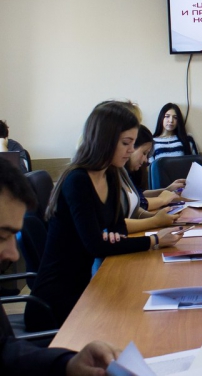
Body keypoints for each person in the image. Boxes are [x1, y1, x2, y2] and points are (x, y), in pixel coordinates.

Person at [25, 102, 184, 331]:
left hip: (85, 288)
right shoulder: (77, 180)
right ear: (105, 140)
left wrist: (111, 238)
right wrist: (155, 240)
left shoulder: (110, 175)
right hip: (56, 302)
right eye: (126, 143)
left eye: (132, 143)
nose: (131, 150)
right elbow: (95, 246)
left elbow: (118, 229)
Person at [0, 157, 121, 375]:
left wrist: (67, 364)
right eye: (1, 236)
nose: (13, 254)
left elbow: (5, 351)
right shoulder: (78, 180)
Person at [122, 125, 182, 233]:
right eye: (144, 153)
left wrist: (156, 217)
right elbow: (141, 203)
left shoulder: (123, 172)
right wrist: (156, 218)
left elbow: (136, 201)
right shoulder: (112, 173)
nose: (146, 159)